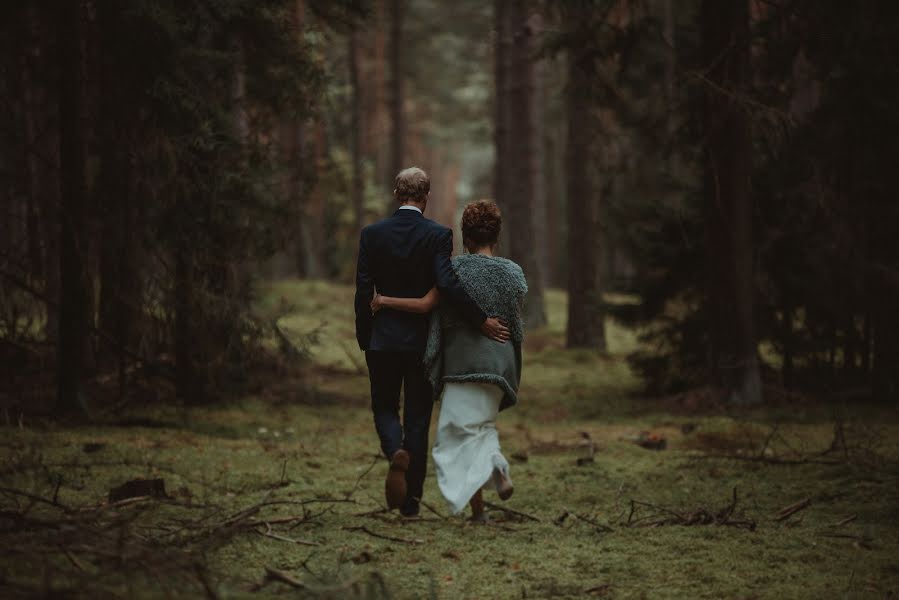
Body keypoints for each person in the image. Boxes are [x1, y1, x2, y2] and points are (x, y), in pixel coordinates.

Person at [354, 168, 510, 518]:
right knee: (418, 421)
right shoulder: (439, 235)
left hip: (382, 340)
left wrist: (366, 335)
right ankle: (410, 505)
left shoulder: (372, 235)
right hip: (421, 343)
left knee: (384, 408)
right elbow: (447, 283)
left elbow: (364, 291)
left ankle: (395, 451)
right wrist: (480, 319)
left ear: (396, 195)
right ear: (425, 199)